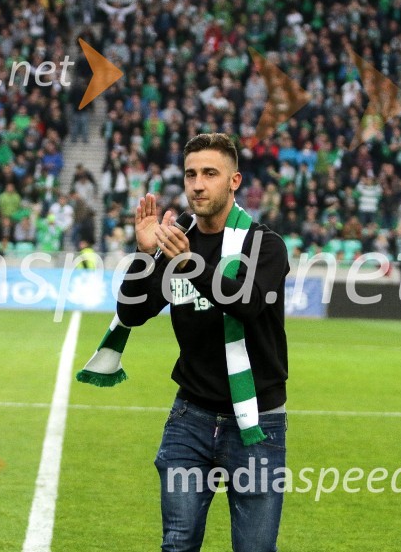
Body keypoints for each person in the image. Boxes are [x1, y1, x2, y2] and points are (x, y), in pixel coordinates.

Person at [117, 134, 290, 551]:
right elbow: (132, 313)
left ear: (234, 181)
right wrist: (144, 255)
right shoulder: (175, 240)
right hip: (189, 418)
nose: (197, 184)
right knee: (177, 545)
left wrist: (189, 262)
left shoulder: (264, 245)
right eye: (191, 173)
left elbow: (245, 302)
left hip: (256, 421)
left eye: (210, 173)